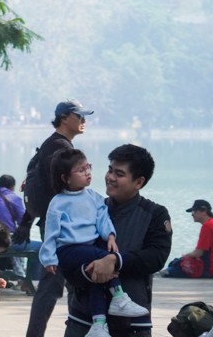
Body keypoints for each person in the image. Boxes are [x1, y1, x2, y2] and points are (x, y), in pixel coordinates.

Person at [62, 144, 172, 337]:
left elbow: (156, 257)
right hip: (83, 318)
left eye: (119, 174)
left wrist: (114, 261)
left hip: (132, 323)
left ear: (138, 182)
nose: (110, 177)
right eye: (110, 170)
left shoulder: (155, 214)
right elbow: (68, 253)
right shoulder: (91, 209)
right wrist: (90, 271)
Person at [39, 148, 149, 337]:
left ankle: (98, 324)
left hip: (88, 249)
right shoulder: (58, 202)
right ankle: (119, 296)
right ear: (66, 178)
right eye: (81, 170)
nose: (87, 172)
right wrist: (48, 258)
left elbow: (103, 218)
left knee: (97, 282)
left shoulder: (94, 197)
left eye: (88, 167)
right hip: (68, 250)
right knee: (107, 258)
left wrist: (111, 236)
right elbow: (51, 233)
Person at [20, 99, 93, 337]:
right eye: (79, 116)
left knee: (70, 283)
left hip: (57, 226)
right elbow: (59, 191)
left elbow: (38, 188)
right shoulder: (60, 149)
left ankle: (76, 330)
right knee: (54, 286)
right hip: (62, 228)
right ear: (64, 118)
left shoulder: (51, 146)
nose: (83, 121)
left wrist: (26, 223)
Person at [0, 174, 41, 290]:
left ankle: (10, 274)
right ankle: (31, 282)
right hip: (5, 242)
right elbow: (24, 222)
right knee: (41, 247)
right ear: (12, 187)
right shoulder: (14, 198)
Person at [162, 199, 213, 278]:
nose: (192, 214)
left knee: (173, 266)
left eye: (194, 211)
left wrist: (185, 255)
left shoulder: (207, 226)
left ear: (204, 211)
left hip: (210, 270)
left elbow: (198, 253)